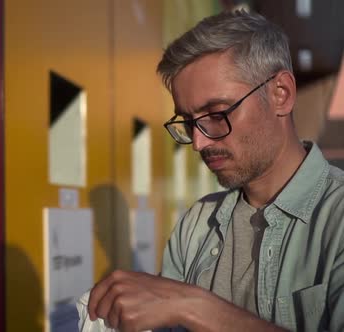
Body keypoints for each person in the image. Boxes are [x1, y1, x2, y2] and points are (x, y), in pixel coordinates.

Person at [80, 9, 344, 332]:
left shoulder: (337, 218)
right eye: (189, 122)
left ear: (281, 94)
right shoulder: (196, 225)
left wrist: (193, 306)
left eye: (217, 114)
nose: (198, 143)